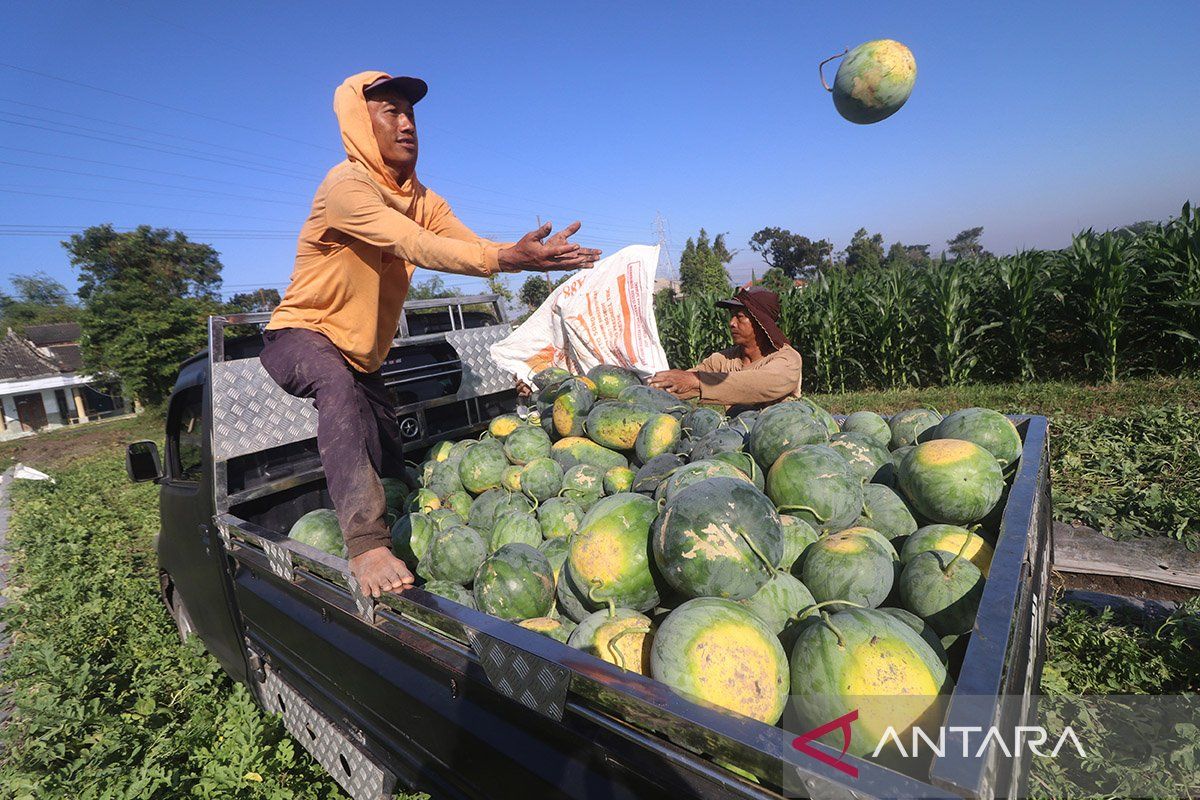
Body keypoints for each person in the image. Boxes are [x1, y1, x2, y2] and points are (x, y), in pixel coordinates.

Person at [260, 71, 599, 598]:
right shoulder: (346, 187)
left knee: (391, 455)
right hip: (301, 336)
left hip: (361, 359)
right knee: (335, 386)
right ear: (357, 121)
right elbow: (411, 243)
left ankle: (399, 528)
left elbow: (469, 248)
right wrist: (505, 256)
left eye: (410, 113)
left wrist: (525, 258)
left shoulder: (424, 198)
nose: (406, 123)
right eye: (390, 112)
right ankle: (366, 545)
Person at [647, 287, 802, 412]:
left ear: (761, 323)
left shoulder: (788, 359)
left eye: (740, 317)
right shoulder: (724, 360)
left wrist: (696, 381)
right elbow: (685, 383)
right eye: (731, 316)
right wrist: (653, 390)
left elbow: (761, 383)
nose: (732, 323)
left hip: (779, 442)